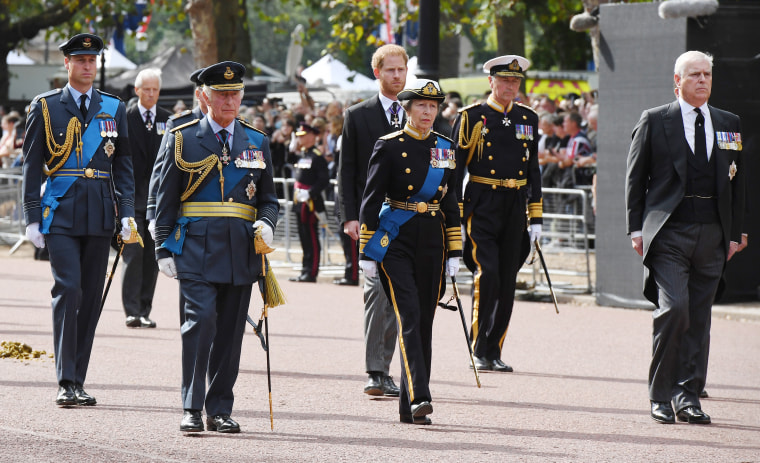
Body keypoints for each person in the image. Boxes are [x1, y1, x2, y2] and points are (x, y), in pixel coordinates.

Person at [153, 61, 279, 433]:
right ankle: (192, 405)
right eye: (221, 94)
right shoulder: (182, 138)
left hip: (241, 250)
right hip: (195, 246)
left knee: (229, 331)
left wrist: (268, 222)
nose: (229, 101)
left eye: (235, 93)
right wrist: (162, 248)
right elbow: (165, 198)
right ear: (203, 96)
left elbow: (268, 197)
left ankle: (220, 407)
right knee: (201, 322)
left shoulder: (257, 140)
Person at [626, 50, 745, 425]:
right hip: (669, 231)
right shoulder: (655, 120)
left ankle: (687, 395)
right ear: (676, 81)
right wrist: (635, 227)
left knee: (699, 316)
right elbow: (635, 177)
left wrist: (737, 230)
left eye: (707, 74)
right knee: (675, 309)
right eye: (694, 74)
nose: (702, 81)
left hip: (713, 232)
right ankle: (660, 394)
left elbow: (739, 181)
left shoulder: (729, 122)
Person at [22, 33, 135, 407]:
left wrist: (128, 214)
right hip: (62, 212)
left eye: (92, 60)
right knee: (68, 290)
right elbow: (30, 168)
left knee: (91, 299)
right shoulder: (46, 106)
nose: (88, 66)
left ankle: (79, 379)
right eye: (80, 60)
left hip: (101, 213)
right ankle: (65, 379)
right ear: (67, 64)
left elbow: (124, 166)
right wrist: (32, 217)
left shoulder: (115, 108)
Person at [359, 79, 461, 425]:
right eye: (421, 106)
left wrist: (456, 252)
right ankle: (421, 395)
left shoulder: (445, 147)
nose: (428, 112)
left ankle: (409, 407)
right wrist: (366, 252)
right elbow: (371, 199)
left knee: (425, 322)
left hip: (433, 239)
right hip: (396, 239)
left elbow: (450, 202)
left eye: (433, 107)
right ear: (407, 109)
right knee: (410, 315)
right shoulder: (389, 146)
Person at [452, 54, 542, 373]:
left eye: (515, 81)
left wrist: (537, 217)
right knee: (487, 273)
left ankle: (495, 348)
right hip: (483, 201)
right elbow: (456, 168)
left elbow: (533, 169)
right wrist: (456, 215)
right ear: (491, 81)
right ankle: (478, 346)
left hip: (515, 203)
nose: (510, 86)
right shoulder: (472, 117)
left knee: (507, 279)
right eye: (504, 80)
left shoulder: (528, 118)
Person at [338, 44, 409, 397]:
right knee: (375, 292)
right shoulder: (358, 115)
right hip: (371, 219)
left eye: (402, 70)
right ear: (378, 73)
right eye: (391, 70)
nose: (397, 76)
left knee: (398, 295)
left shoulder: (418, 112)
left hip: (409, 219)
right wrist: (350, 216)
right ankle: (376, 370)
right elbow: (346, 171)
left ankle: (389, 367)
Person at [122, 68, 171, 328]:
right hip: (131, 198)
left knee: (153, 258)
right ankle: (131, 310)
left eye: (155, 90)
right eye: (146, 89)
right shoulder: (126, 118)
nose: (151, 94)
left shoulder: (168, 120)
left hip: (157, 202)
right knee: (133, 255)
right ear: (137, 90)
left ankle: (144, 309)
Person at [146, 67, 207, 239]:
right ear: (199, 94)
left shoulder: (235, 126)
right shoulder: (180, 123)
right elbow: (161, 169)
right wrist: (153, 212)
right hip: (185, 211)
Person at [289, 122, 329, 283]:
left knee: (311, 237)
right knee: (303, 237)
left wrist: (310, 192)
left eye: (303, 136)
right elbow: (291, 161)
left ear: (312, 136)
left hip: (311, 202)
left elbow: (324, 180)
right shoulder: (304, 154)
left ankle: (311, 272)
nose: (300, 139)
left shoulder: (317, 156)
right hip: (300, 201)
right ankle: (305, 269)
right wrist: (291, 149)